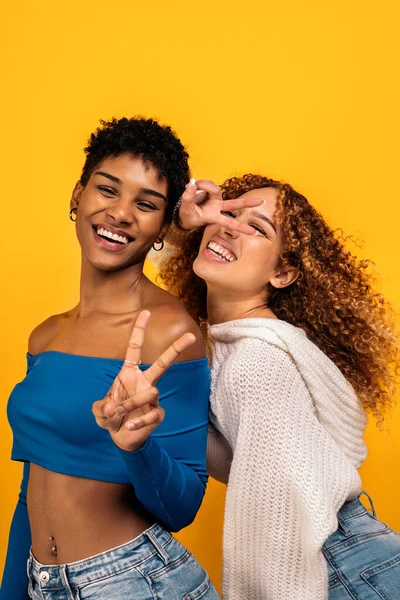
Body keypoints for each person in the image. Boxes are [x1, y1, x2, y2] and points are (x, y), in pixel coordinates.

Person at [1, 118, 223, 600]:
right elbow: (31, 490)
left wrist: (137, 445)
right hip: (46, 584)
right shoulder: (45, 336)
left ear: (163, 228)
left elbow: (182, 506)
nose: (121, 213)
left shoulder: (168, 331)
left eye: (146, 204)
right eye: (107, 190)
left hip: (136, 582)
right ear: (77, 195)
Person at [160, 175, 400, 599]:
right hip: (353, 559)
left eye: (258, 228)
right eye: (229, 213)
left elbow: (278, 516)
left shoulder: (256, 363)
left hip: (336, 567)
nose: (230, 227)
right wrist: (182, 225)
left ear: (283, 273)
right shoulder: (233, 341)